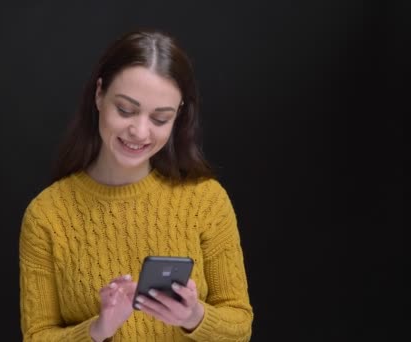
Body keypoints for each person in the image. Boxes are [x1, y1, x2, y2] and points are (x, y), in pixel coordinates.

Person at [18, 29, 253, 341]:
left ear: (178, 116)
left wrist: (194, 316)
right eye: (126, 110)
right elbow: (37, 335)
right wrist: (98, 329)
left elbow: (240, 326)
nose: (140, 132)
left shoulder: (206, 201)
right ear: (99, 94)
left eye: (160, 119)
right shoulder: (46, 215)